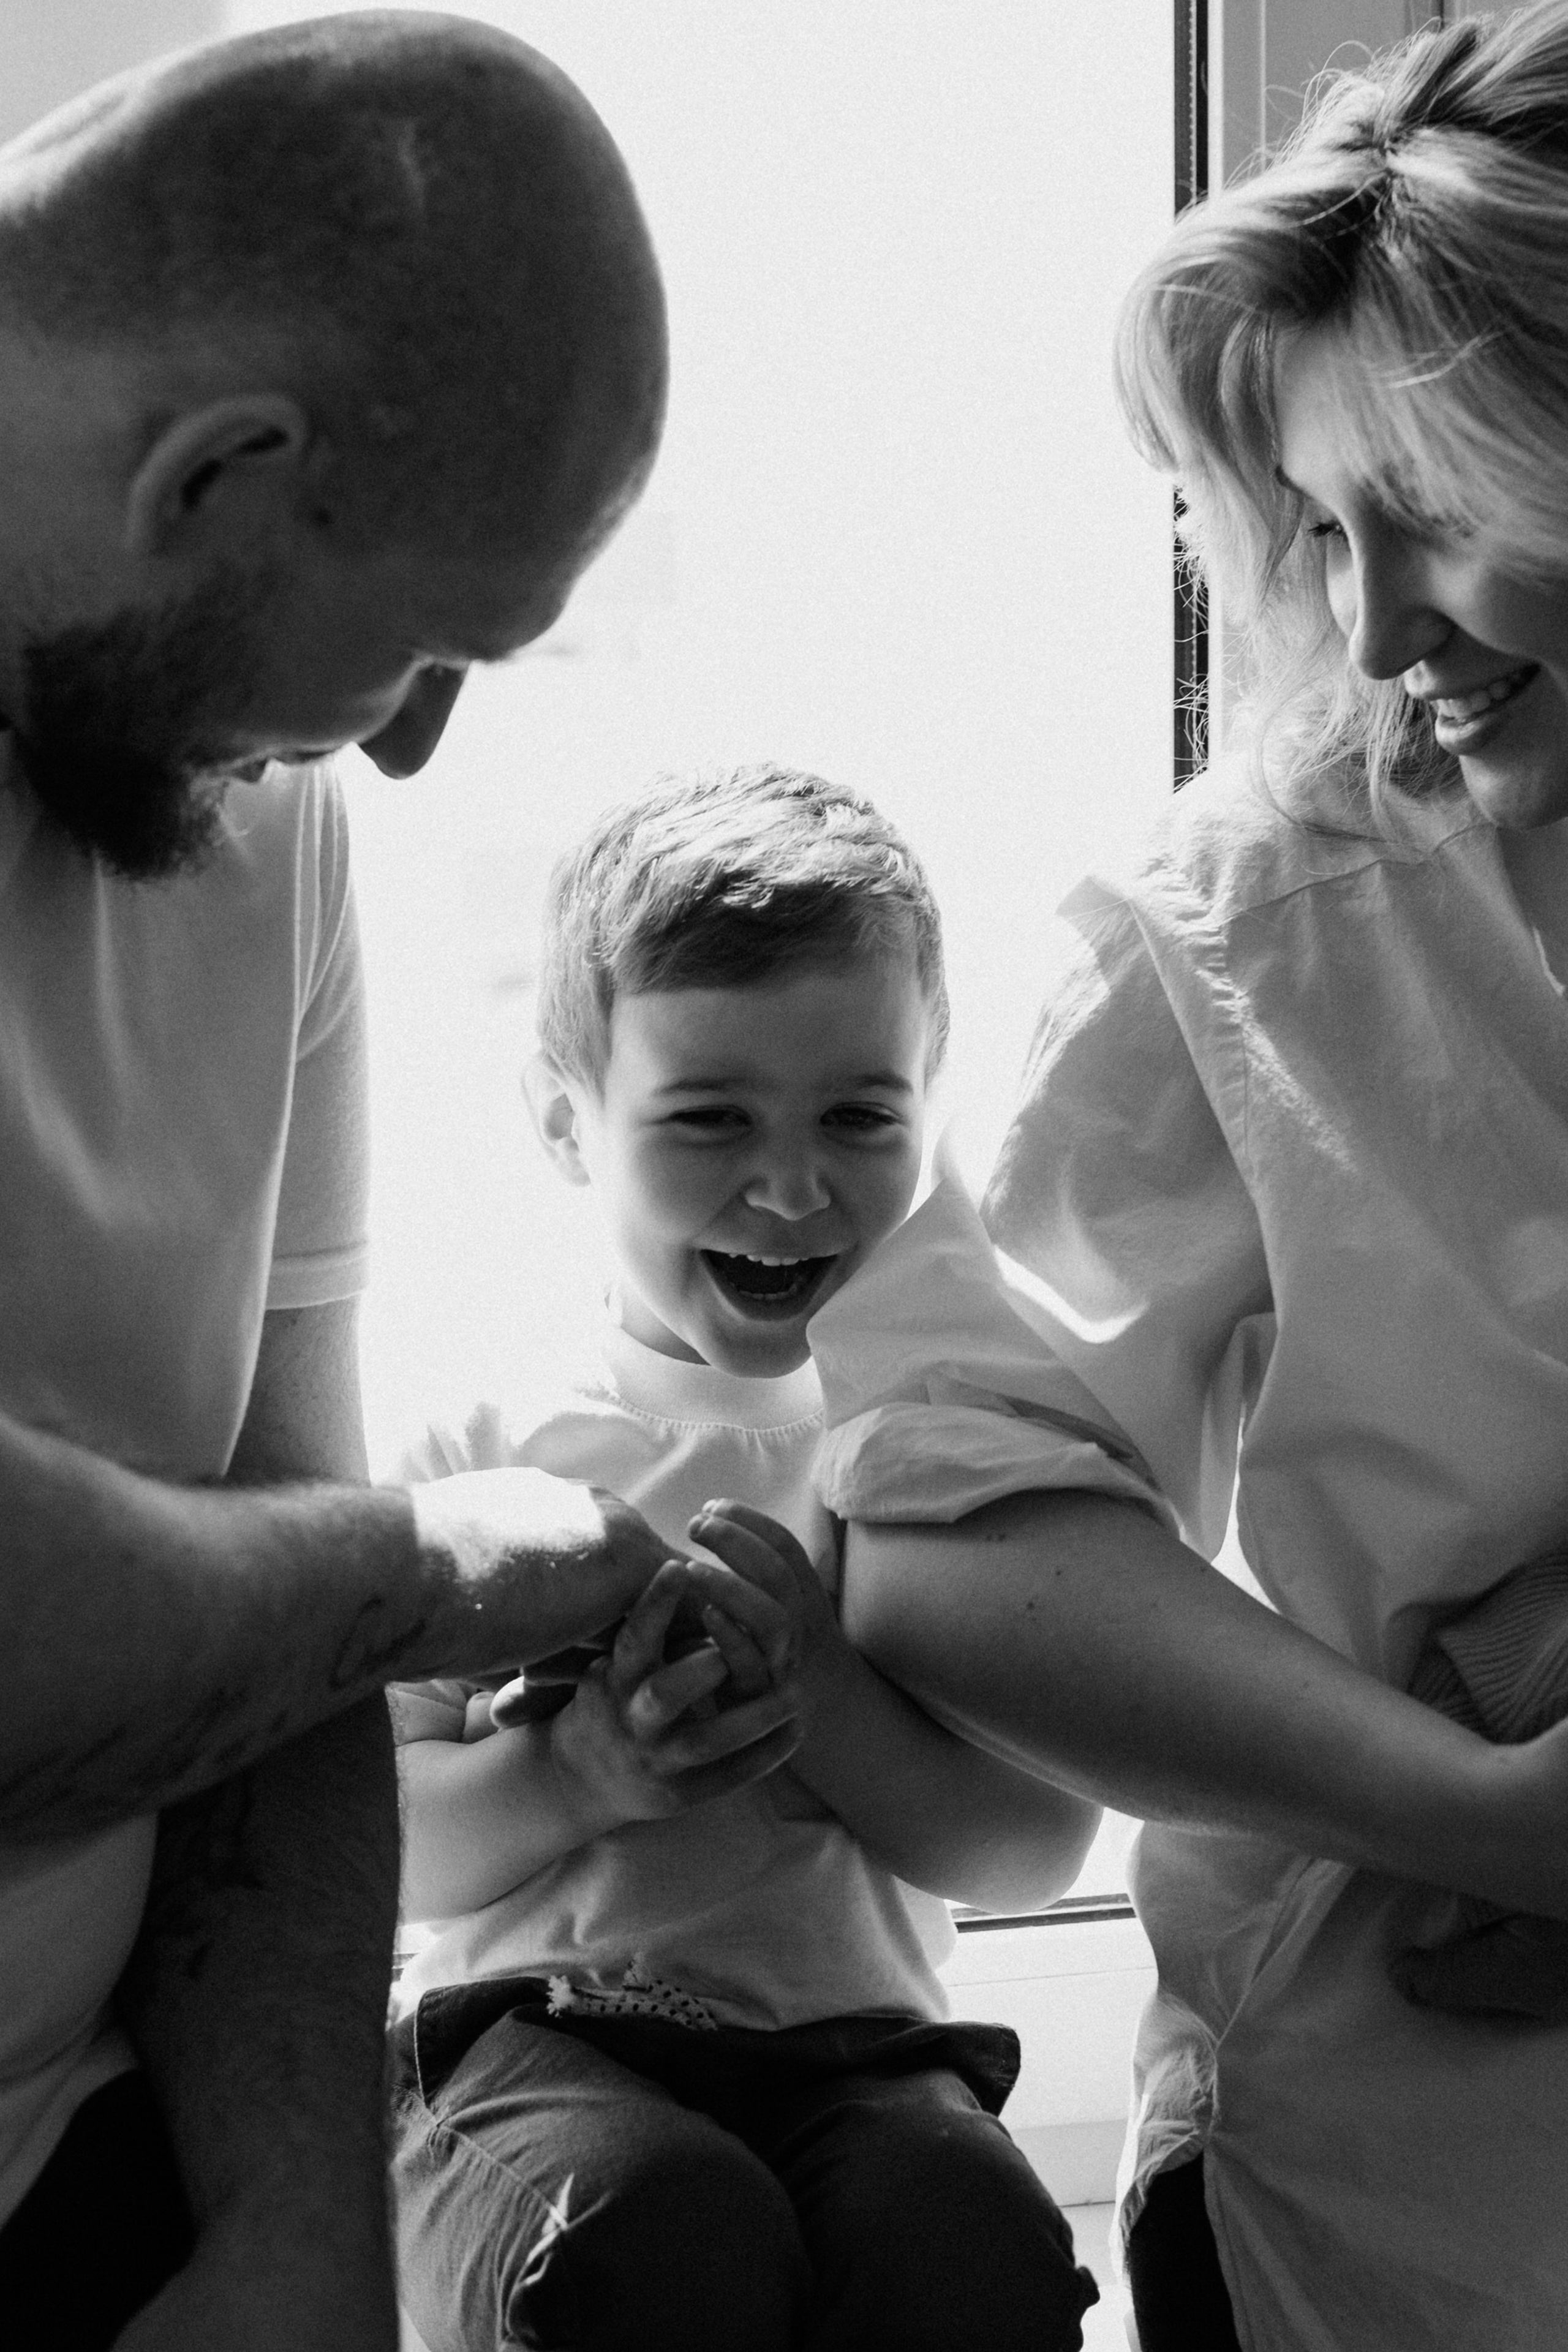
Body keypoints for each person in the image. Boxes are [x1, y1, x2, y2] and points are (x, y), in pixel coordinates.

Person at [0, 18, 775, 2352]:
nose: (415, 744)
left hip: (85, 2163)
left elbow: (253, 1504)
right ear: (221, 473)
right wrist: (449, 1563)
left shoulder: (270, 803)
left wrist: (299, 2235)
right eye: (433, 646)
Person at [809, 7, 1568, 2346]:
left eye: (1430, 516)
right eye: (1324, 532)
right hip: (1406, 2217)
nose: (1366, 630)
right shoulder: (1251, 919)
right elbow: (942, 1537)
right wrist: (1486, 1812)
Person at [388, 766, 1103, 2352]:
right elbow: (381, 1844)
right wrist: (576, 1776)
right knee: (648, 2237)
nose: (790, 1187)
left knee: (972, 2238)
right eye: (710, 1119)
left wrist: (828, 1692)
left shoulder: (939, 1439)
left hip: (863, 2062)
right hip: (538, 2050)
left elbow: (1032, 1849)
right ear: (566, 1121)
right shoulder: (487, 1449)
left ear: (935, 1101)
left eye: (859, 1116)